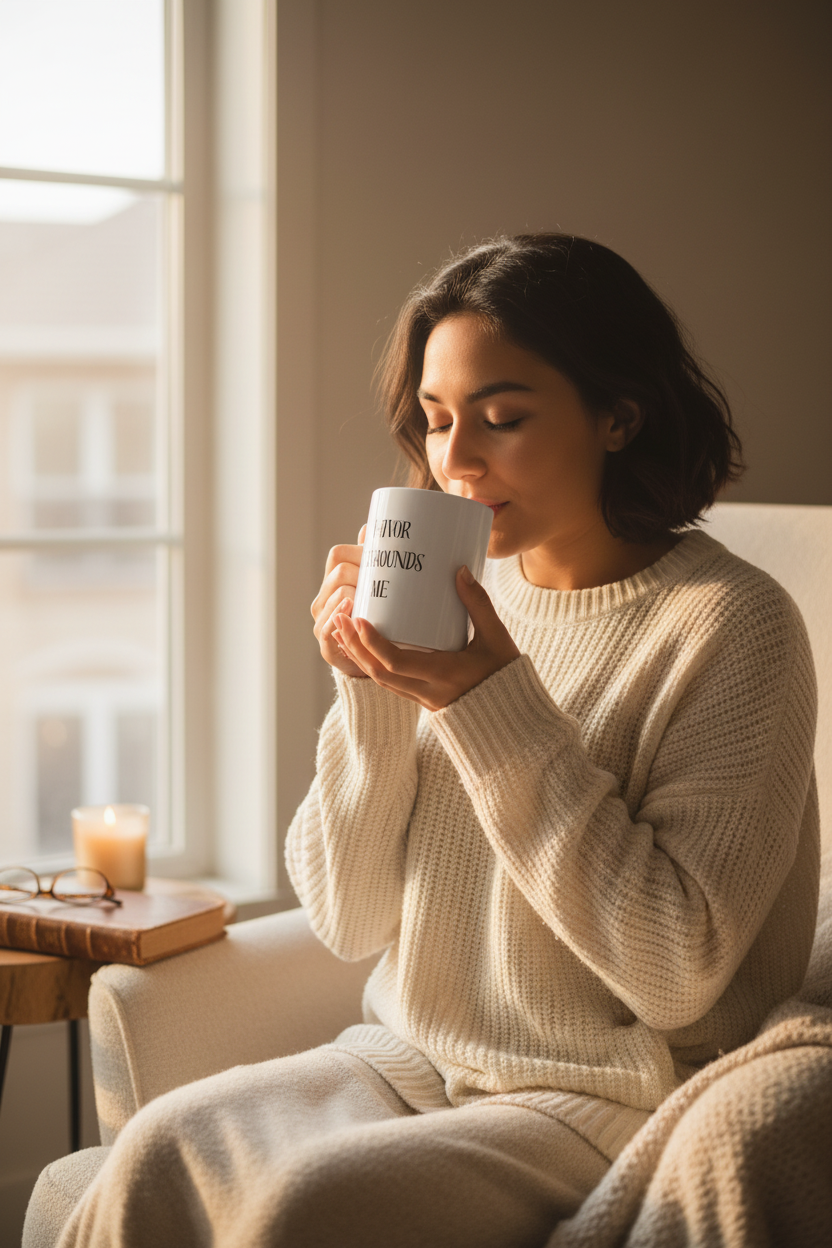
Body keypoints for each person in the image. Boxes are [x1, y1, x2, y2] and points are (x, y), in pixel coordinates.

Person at [58, 235, 819, 1248]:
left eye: (502, 420)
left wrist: (489, 703)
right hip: (409, 1056)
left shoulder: (731, 626)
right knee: (157, 1148)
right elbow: (347, 916)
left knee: (306, 1210)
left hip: (604, 1095)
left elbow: (674, 976)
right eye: (436, 418)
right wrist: (371, 692)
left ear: (617, 416)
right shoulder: (462, 597)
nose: (453, 462)